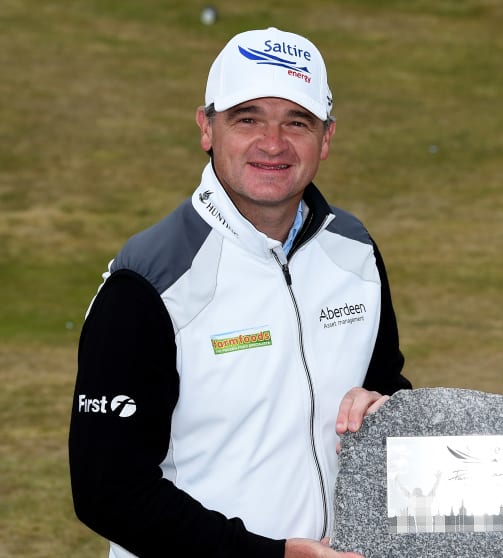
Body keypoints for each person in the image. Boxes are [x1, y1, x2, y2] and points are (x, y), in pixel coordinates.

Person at [68, 27, 411, 558]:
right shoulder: (147, 284)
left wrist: (386, 407)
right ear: (207, 128)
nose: (272, 144)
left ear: (326, 137)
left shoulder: (355, 251)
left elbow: (387, 383)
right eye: (247, 118)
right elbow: (106, 491)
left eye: (296, 122)